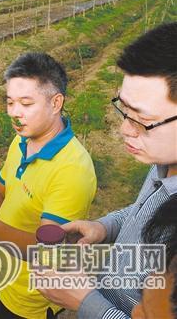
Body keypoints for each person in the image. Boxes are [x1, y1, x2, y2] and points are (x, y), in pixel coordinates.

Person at [37, 22, 177, 318]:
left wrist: (84, 301)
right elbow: (146, 208)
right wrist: (106, 227)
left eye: (142, 119)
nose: (125, 130)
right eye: (124, 110)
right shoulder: (165, 160)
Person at [0, 52, 97, 318]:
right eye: (10, 102)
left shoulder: (72, 170)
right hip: (9, 277)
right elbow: (1, 189)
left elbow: (46, 253)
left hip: (35, 297)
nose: (15, 113)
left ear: (56, 102)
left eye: (26, 103)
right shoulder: (23, 140)